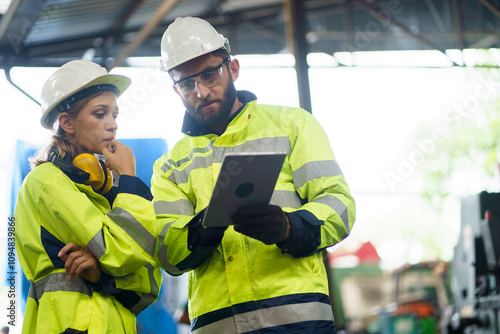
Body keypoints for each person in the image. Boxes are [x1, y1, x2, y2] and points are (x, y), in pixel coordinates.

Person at [152, 16, 356, 333]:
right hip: (219, 325)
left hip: (297, 319)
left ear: (232, 69)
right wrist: (203, 229)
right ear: (175, 90)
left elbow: (340, 206)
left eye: (209, 74)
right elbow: (168, 254)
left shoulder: (293, 125)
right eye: (187, 83)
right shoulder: (169, 164)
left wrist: (289, 227)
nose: (201, 91)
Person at [14, 60, 162, 333]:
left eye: (115, 115)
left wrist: (101, 273)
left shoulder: (100, 191)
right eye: (100, 114)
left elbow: (147, 285)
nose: (112, 125)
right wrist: (129, 178)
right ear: (67, 123)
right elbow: (125, 252)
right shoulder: (47, 181)